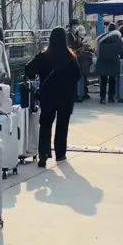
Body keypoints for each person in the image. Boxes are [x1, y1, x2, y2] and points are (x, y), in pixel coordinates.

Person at [24, 27, 81, 167]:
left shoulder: (43, 56)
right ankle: (60, 154)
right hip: (65, 98)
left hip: (47, 96)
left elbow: (28, 69)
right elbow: (77, 75)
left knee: (45, 125)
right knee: (62, 125)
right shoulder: (71, 57)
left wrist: (36, 77)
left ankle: (43, 154)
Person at [94, 22, 123, 104]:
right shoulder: (117, 39)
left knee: (103, 80)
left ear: (108, 29)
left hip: (102, 61)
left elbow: (96, 51)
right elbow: (122, 51)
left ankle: (102, 98)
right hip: (113, 61)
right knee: (112, 80)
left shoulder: (101, 39)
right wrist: (121, 57)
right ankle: (111, 97)